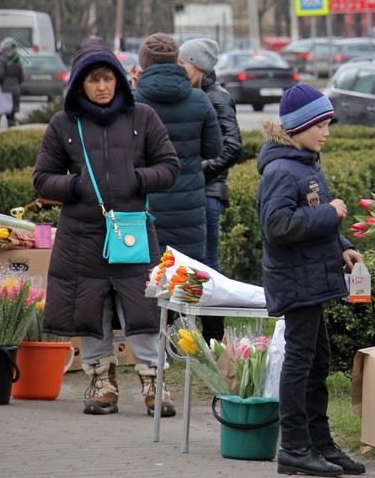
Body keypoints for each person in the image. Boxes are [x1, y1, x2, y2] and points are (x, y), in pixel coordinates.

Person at [32, 37, 181, 416]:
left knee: (143, 307)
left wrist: (137, 179)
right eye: (93, 80)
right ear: (79, 84)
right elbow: (42, 178)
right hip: (82, 236)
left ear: (118, 79)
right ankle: (101, 379)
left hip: (132, 230)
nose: (101, 86)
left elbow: (170, 167)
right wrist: (75, 185)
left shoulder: (143, 117)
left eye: (107, 78)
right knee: (89, 308)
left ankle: (154, 381)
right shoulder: (64, 123)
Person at [257, 84, 366, 476]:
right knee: (300, 362)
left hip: (312, 278)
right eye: (320, 124)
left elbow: (311, 217)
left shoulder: (305, 163)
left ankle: (321, 444)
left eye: (328, 124)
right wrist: (332, 215)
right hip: (296, 282)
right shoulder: (282, 170)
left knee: (318, 360)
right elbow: (277, 226)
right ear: (299, 127)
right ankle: (295, 447)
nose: (327, 132)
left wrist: (341, 246)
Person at [133, 33, 223, 262]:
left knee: (149, 286)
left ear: (143, 62)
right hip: (189, 212)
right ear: (176, 59)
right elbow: (214, 150)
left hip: (146, 211)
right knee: (186, 287)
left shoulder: (133, 103)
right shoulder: (200, 99)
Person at [178, 38, 243, 343]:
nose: (178, 69)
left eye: (183, 64)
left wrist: (194, 172)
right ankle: (184, 337)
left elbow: (232, 147)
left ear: (200, 68)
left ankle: (214, 339)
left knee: (208, 267)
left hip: (207, 194)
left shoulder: (217, 97)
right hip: (191, 194)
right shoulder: (190, 95)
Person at [0, 37, 24, 132]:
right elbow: (22, 77)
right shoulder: (17, 59)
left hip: (2, 92)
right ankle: (12, 137)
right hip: (15, 92)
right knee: (11, 117)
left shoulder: (2, 59)